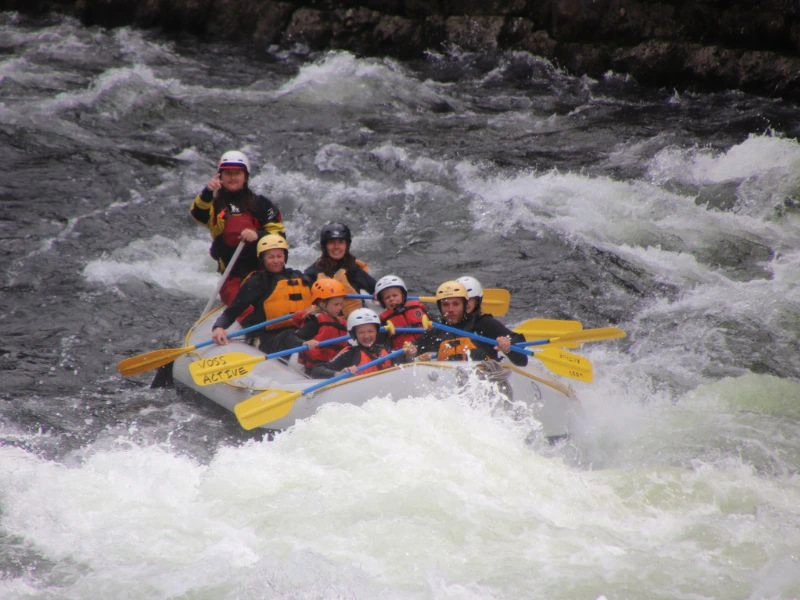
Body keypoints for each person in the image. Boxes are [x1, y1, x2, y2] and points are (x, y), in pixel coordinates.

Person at [190, 150, 285, 305]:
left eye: (237, 173)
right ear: (220, 177)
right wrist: (207, 192)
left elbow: (280, 235)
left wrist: (258, 235)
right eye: (228, 173)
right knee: (241, 303)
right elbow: (198, 213)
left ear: (245, 176)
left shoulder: (261, 203)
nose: (233, 177)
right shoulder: (214, 204)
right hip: (232, 274)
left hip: (264, 271)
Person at [211, 235, 311, 354]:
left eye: (279, 256)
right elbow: (234, 310)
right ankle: (306, 349)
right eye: (271, 257)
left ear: (285, 257)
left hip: (297, 332)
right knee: (288, 336)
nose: (276, 261)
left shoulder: (298, 276)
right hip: (267, 337)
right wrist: (219, 327)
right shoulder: (257, 281)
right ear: (262, 259)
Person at [408, 280, 528, 366]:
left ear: (464, 305)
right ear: (440, 307)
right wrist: (410, 353)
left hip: (484, 381)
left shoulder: (484, 323)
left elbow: (522, 361)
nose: (450, 309)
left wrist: (508, 347)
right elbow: (409, 355)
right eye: (445, 304)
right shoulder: (438, 330)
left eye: (456, 304)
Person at [310, 308, 413, 379]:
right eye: (361, 332)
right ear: (354, 334)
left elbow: (406, 365)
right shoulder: (350, 354)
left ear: (376, 332)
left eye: (370, 331)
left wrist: (410, 356)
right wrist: (338, 373)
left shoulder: (386, 350)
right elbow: (316, 370)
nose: (367, 336)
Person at [304, 222, 376, 317]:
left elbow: (377, 291)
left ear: (347, 245)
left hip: (354, 320)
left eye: (341, 242)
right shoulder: (312, 273)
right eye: (331, 243)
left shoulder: (354, 269)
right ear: (325, 246)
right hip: (326, 322)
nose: (336, 247)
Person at [279, 279, 349, 374]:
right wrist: (304, 343)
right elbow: (292, 337)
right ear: (322, 303)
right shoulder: (314, 321)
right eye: (336, 304)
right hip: (311, 368)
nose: (340, 308)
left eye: (341, 304)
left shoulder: (340, 322)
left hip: (330, 364)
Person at [374, 274, 430, 350]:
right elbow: (380, 344)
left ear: (403, 296)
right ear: (383, 302)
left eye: (395, 295)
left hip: (427, 345)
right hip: (403, 352)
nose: (391, 299)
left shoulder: (417, 307)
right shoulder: (383, 321)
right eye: (387, 297)